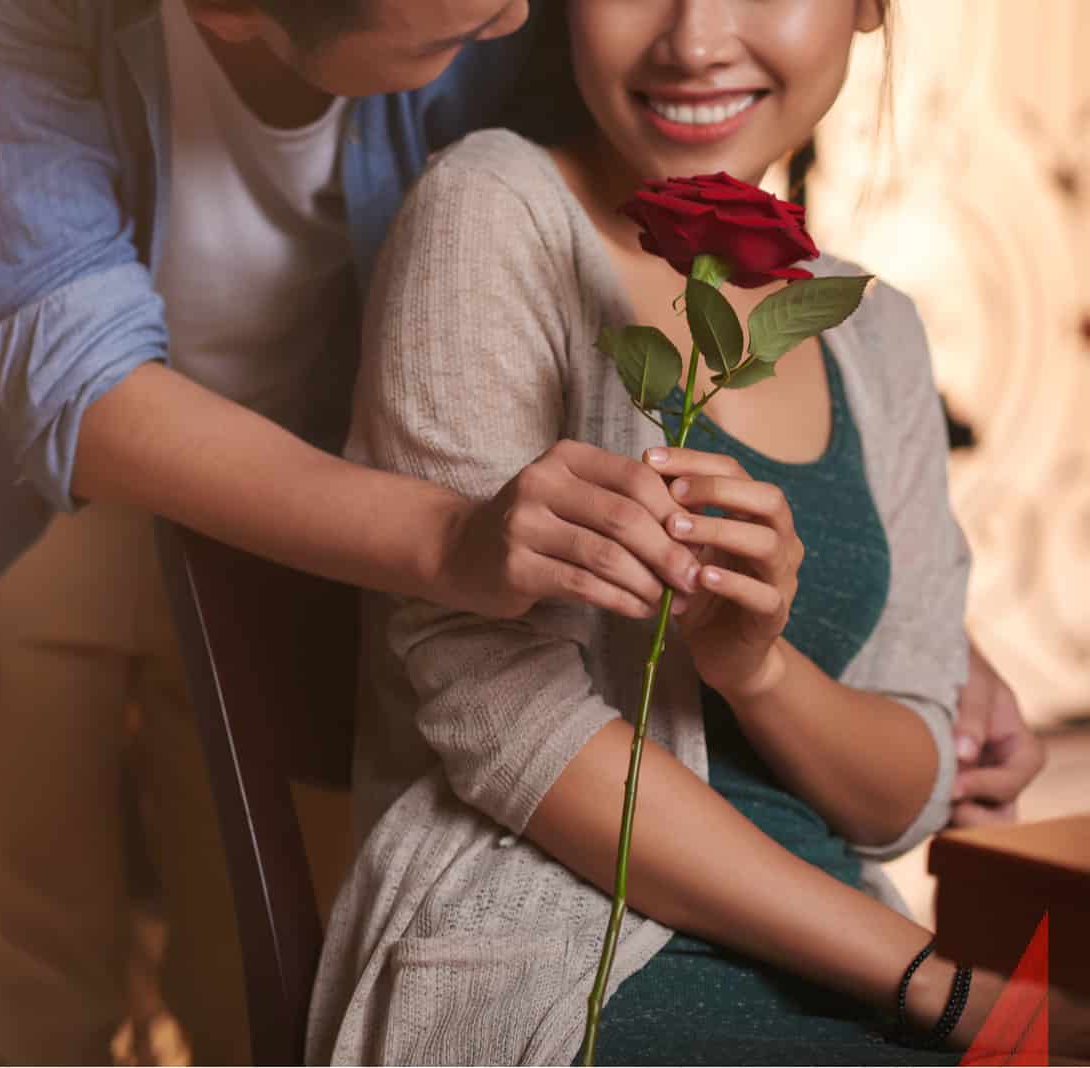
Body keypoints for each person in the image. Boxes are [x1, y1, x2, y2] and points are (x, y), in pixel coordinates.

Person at [0, 0, 1044, 1062]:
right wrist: (445, 537)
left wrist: (887, 598)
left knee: (253, 996)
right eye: (466, 21)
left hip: (342, 502)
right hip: (3, 514)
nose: (515, 17)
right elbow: (66, 370)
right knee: (12, 1016)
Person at [307, 0, 1081, 1064]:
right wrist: (946, 990)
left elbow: (901, 793)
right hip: (555, 959)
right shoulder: (490, 210)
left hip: (841, 971)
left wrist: (754, 669)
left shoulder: (878, 330)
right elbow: (507, 726)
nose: (694, 39)